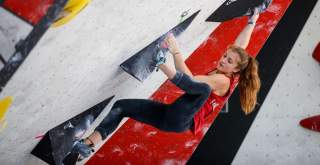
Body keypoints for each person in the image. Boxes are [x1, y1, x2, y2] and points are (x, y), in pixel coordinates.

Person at [72, 9, 261, 159]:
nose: (223, 60)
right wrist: (253, 20)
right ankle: (87, 146)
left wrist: (176, 52)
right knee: (122, 107)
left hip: (182, 118)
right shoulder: (233, 69)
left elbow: (189, 81)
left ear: (236, 70)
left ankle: (160, 61)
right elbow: (241, 45)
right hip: (171, 116)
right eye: (225, 56)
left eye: (229, 61)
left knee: (202, 89)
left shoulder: (223, 80)